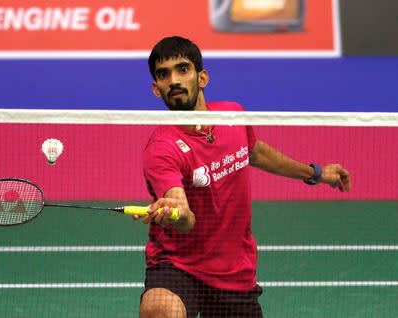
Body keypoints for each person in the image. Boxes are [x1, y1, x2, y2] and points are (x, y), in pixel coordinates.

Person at [133, 36, 351, 318]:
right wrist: (176, 211)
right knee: (160, 310)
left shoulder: (233, 116)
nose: (174, 80)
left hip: (234, 270)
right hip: (179, 265)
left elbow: (255, 152)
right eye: (164, 74)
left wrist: (316, 173)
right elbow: (184, 218)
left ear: (202, 78)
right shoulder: (162, 148)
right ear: (156, 88)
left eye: (182, 69)